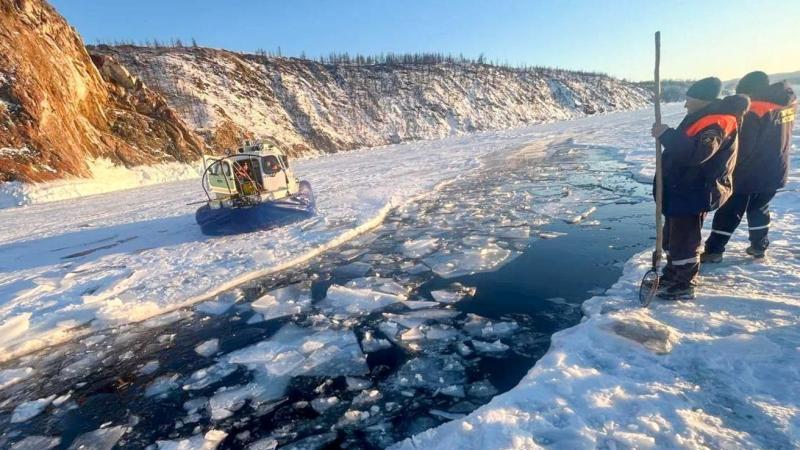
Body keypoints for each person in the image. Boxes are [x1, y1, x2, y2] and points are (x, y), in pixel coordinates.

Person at [651, 77, 749, 300]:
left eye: (689, 99)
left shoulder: (717, 123)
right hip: (682, 190)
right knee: (672, 238)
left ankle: (684, 284)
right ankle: (672, 274)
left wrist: (666, 135)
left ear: (702, 100)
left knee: (684, 241)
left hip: (694, 191)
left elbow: (696, 154)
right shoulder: (703, 117)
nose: (686, 105)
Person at [702, 72, 797, 262]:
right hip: (776, 168)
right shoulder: (785, 104)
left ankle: (714, 250)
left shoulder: (753, 109)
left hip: (749, 171)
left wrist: (728, 165)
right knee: (759, 207)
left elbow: (744, 145)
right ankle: (759, 246)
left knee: (730, 208)